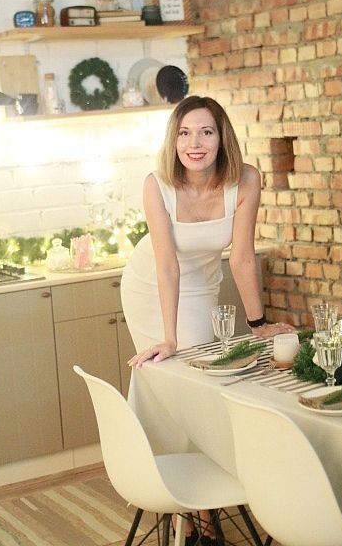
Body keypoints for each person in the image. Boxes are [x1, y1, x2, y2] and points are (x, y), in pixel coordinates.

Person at [121, 95, 295, 545]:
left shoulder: (246, 180)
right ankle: (190, 512)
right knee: (177, 378)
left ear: (222, 138)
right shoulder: (157, 185)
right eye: (184, 133)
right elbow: (166, 266)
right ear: (173, 140)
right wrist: (169, 337)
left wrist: (258, 325)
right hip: (151, 284)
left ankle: (201, 509)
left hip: (204, 280)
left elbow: (241, 258)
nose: (194, 144)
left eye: (205, 132)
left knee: (207, 382)